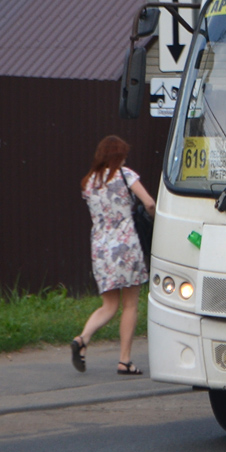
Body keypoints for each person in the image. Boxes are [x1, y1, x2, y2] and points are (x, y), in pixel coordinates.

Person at [71, 135, 156, 376]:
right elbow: (149, 203)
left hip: (100, 248)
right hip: (126, 247)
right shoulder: (126, 175)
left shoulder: (88, 182)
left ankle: (82, 339)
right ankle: (125, 361)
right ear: (118, 156)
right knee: (130, 305)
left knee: (109, 305)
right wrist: (156, 220)